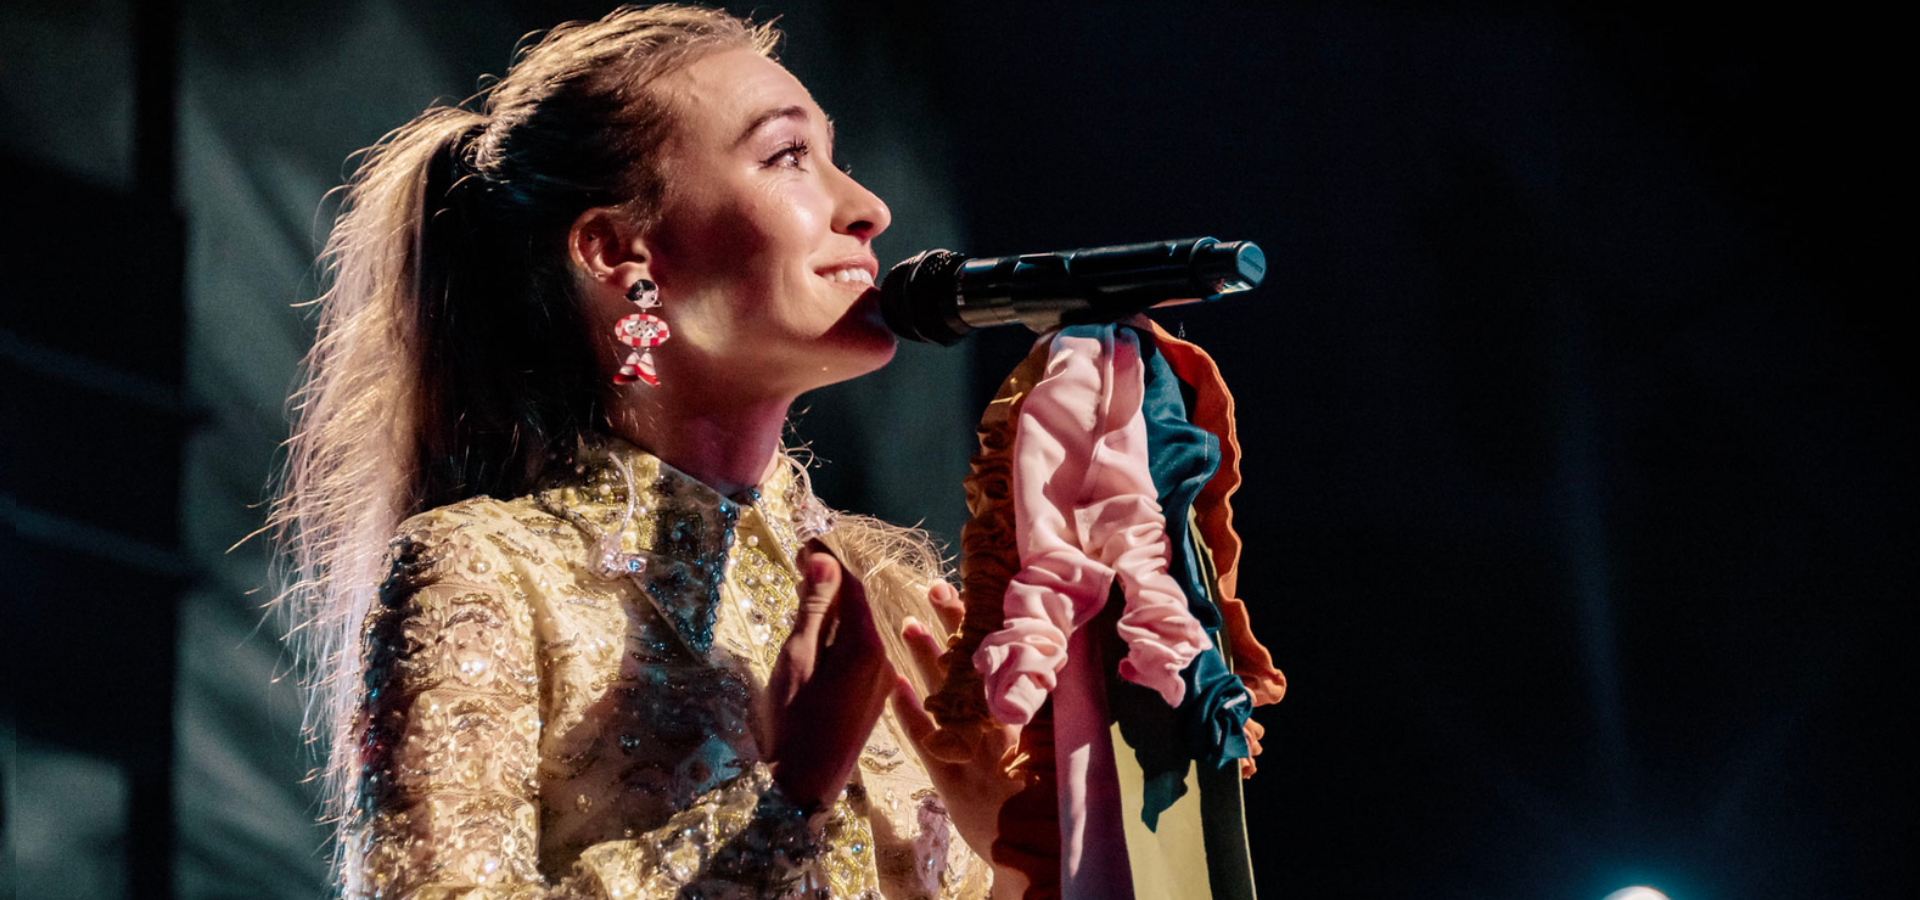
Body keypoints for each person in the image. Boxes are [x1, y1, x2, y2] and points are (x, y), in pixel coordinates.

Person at [272, 6, 1021, 897]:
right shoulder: (486, 570)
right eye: (788, 157)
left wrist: (1021, 860)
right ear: (619, 249)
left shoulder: (892, 594)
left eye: (836, 156)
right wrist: (791, 798)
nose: (867, 209)